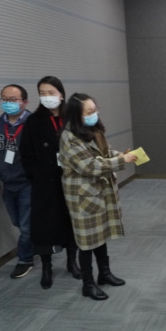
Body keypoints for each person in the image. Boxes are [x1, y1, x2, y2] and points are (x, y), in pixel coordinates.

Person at [59, 93, 137, 300]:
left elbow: (105, 153)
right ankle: (88, 283)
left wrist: (121, 155)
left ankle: (104, 273)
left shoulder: (93, 130)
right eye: (89, 112)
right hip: (83, 197)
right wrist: (121, 161)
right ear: (76, 115)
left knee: (100, 236)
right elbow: (89, 166)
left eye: (95, 110)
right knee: (87, 242)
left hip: (99, 192)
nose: (94, 114)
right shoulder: (69, 137)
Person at [20, 76, 80, 290]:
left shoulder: (72, 118)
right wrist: (36, 175)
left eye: (51, 92)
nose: (47, 97)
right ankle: (47, 267)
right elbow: (26, 153)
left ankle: (72, 261)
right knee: (44, 226)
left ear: (61, 94)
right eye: (42, 93)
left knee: (71, 221)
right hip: (44, 183)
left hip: (71, 180)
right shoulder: (33, 120)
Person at [0, 84, 34, 279]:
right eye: (4, 99)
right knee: (17, 222)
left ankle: (25, 259)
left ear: (24, 102)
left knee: (26, 226)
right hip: (7, 183)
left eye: (13, 100)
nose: (8, 103)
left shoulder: (34, 124)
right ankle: (35, 242)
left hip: (28, 184)